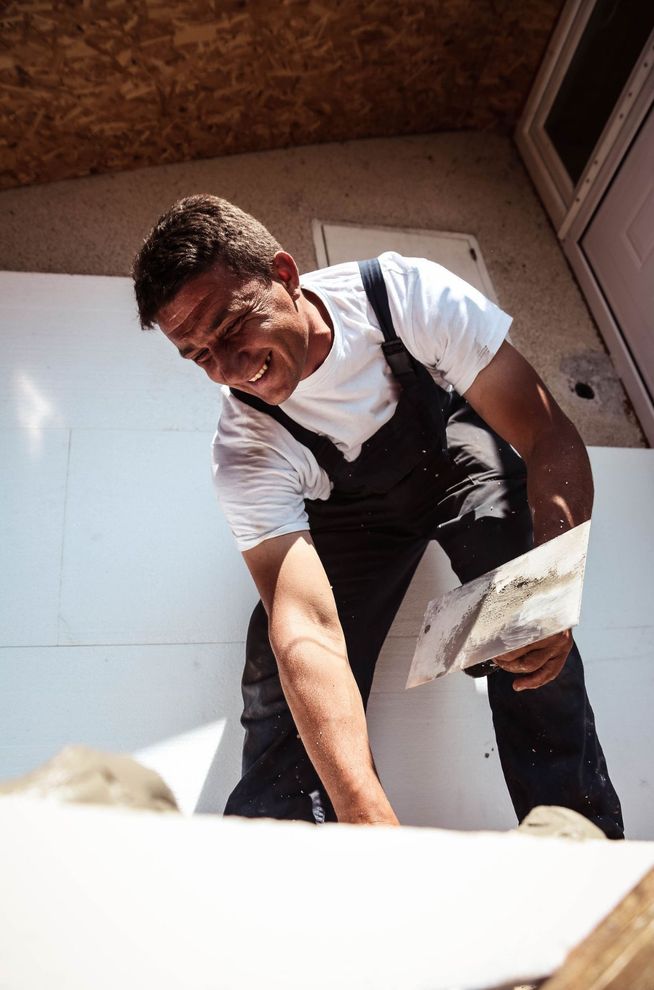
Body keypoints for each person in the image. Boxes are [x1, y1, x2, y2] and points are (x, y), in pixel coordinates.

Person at [132, 194, 624, 837]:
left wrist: (549, 587)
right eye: (199, 356)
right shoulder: (245, 449)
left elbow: (546, 433)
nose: (228, 369)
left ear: (283, 275)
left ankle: (580, 835)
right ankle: (284, 847)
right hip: (354, 513)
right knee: (275, 658)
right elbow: (305, 626)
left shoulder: (404, 295)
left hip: (457, 458)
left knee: (521, 609)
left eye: (230, 328)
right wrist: (366, 817)